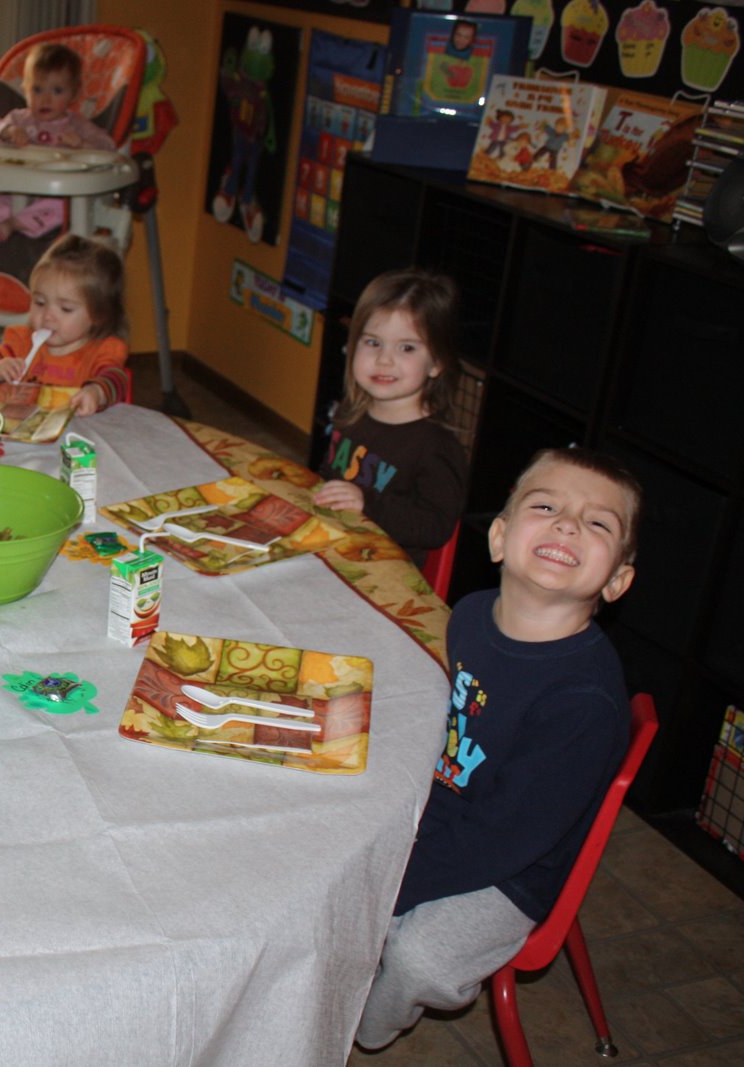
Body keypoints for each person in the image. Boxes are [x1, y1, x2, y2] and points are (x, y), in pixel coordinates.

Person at [355, 447, 641, 1051]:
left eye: (597, 523)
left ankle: (361, 1031)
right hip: (445, 805)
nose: (568, 524)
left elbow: (499, 842)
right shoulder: (471, 614)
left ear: (616, 580)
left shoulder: (581, 703)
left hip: (510, 871)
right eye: (547, 506)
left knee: (421, 958)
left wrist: (390, 889)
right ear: (499, 538)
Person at [312, 268, 468, 564]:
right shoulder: (350, 413)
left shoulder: (436, 447)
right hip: (330, 550)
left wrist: (366, 503)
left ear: (436, 362)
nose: (384, 359)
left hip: (381, 573)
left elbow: (435, 527)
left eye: (407, 347)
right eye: (373, 342)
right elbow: (328, 476)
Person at [0, 42, 116, 254]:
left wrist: (82, 145)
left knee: (61, 209)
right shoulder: (19, 118)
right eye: (37, 89)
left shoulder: (77, 125)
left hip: (54, 197)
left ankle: (11, 226)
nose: (45, 99)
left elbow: (108, 147)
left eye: (57, 90)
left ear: (74, 94)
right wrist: (8, 132)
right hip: (16, 189)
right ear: (24, 89)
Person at [0, 234, 130, 415]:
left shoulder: (102, 352)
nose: (47, 316)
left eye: (66, 309)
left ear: (99, 315)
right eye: (39, 302)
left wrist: (96, 391)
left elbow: (117, 380)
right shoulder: (23, 342)